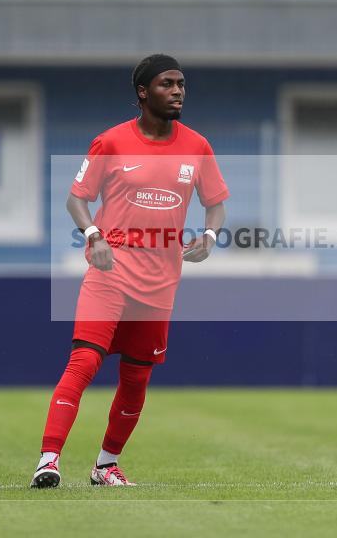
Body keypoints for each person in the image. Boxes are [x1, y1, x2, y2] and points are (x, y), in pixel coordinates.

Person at [32, 54, 229, 487]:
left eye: (181, 84)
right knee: (84, 359)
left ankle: (105, 466)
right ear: (143, 92)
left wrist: (210, 238)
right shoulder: (111, 142)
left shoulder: (197, 146)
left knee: (137, 376)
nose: (177, 91)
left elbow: (215, 204)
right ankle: (48, 460)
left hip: (161, 279)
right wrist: (93, 236)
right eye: (167, 84)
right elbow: (76, 198)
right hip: (112, 269)